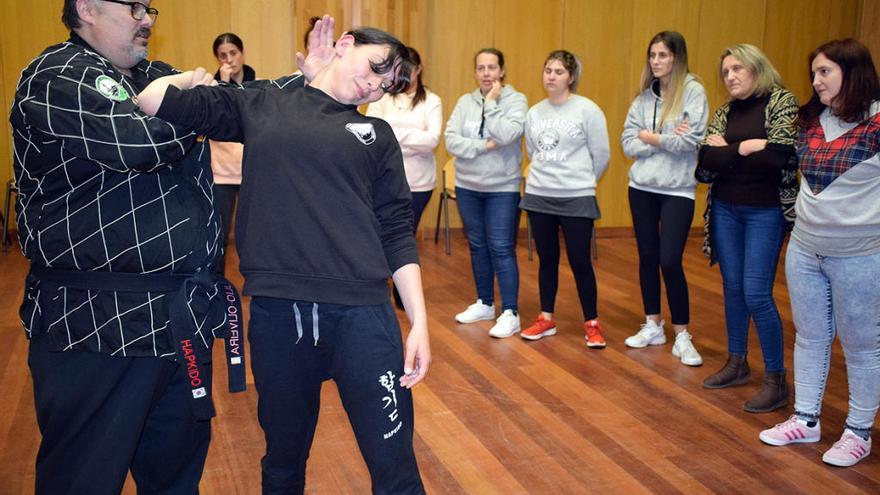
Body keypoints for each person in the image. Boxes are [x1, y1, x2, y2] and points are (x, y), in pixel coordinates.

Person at [137, 26, 430, 494]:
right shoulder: (264, 104)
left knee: (396, 471)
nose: (376, 85)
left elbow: (396, 231)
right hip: (279, 317)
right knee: (282, 465)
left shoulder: (377, 134)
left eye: (388, 83)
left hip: (364, 319)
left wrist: (418, 322)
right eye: (376, 67)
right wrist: (204, 76)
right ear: (345, 44)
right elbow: (153, 100)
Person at [8, 0, 250, 492]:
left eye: (150, 8)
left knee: (176, 477)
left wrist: (316, 83)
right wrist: (187, 108)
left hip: (179, 318)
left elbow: (239, 105)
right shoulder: (55, 73)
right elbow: (134, 144)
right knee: (83, 478)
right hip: (93, 324)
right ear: (87, 8)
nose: (146, 19)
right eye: (134, 6)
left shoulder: (155, 76)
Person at [759, 38, 880, 467]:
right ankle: (806, 419)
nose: (816, 81)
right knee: (809, 336)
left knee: (862, 346)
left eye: (825, 72)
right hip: (806, 249)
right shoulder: (809, 119)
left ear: (853, 71)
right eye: (814, 73)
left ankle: (859, 431)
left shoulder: (877, 123)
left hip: (862, 255)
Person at [695, 44, 799, 413]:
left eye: (738, 68)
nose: (731, 76)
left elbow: (781, 156)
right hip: (725, 209)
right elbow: (704, 165)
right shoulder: (725, 110)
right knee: (733, 288)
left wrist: (729, 151)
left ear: (757, 68)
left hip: (765, 212)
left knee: (756, 293)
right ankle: (737, 363)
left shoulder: (781, 102)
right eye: (725, 72)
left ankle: (776, 379)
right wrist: (745, 149)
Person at [620, 31, 708, 365]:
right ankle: (653, 323)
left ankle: (682, 334)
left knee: (669, 260)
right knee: (647, 257)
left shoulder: (693, 92)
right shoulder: (644, 97)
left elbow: (690, 142)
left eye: (663, 55)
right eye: (652, 55)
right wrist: (663, 137)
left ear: (677, 57)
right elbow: (628, 142)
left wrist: (649, 136)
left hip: (677, 190)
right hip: (641, 188)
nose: (656, 61)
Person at [519, 50, 610, 348]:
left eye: (558, 71)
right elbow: (533, 152)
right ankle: (546, 318)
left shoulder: (588, 110)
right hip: (540, 196)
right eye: (548, 70)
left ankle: (592, 323)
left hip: (576, 197)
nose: (551, 76)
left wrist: (581, 182)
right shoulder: (534, 112)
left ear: (571, 77)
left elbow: (602, 155)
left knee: (580, 261)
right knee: (547, 260)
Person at [445, 47, 527, 338]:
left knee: (501, 247)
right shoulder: (465, 102)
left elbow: (507, 135)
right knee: (478, 245)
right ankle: (485, 302)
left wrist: (492, 104)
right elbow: (451, 141)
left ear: (502, 70)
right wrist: (483, 146)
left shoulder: (516, 100)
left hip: (501, 188)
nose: (487, 73)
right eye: (481, 68)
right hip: (468, 186)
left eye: (492, 67)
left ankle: (510, 312)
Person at [367, 46, 442, 309]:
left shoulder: (431, 101)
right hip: (384, 181)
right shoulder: (382, 97)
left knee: (404, 236)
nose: (404, 74)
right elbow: (373, 133)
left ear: (419, 69)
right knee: (379, 234)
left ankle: (402, 291)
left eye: (409, 69)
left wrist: (394, 134)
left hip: (419, 183)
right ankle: (381, 283)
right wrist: (411, 134)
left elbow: (431, 139)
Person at [210, 32, 256, 275]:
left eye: (233, 53)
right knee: (219, 235)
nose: (229, 60)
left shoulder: (256, 85)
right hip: (221, 174)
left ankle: (255, 281)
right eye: (222, 55)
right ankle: (216, 284)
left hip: (251, 171)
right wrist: (224, 85)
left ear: (242, 53)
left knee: (254, 235)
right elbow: (216, 122)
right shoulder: (212, 88)